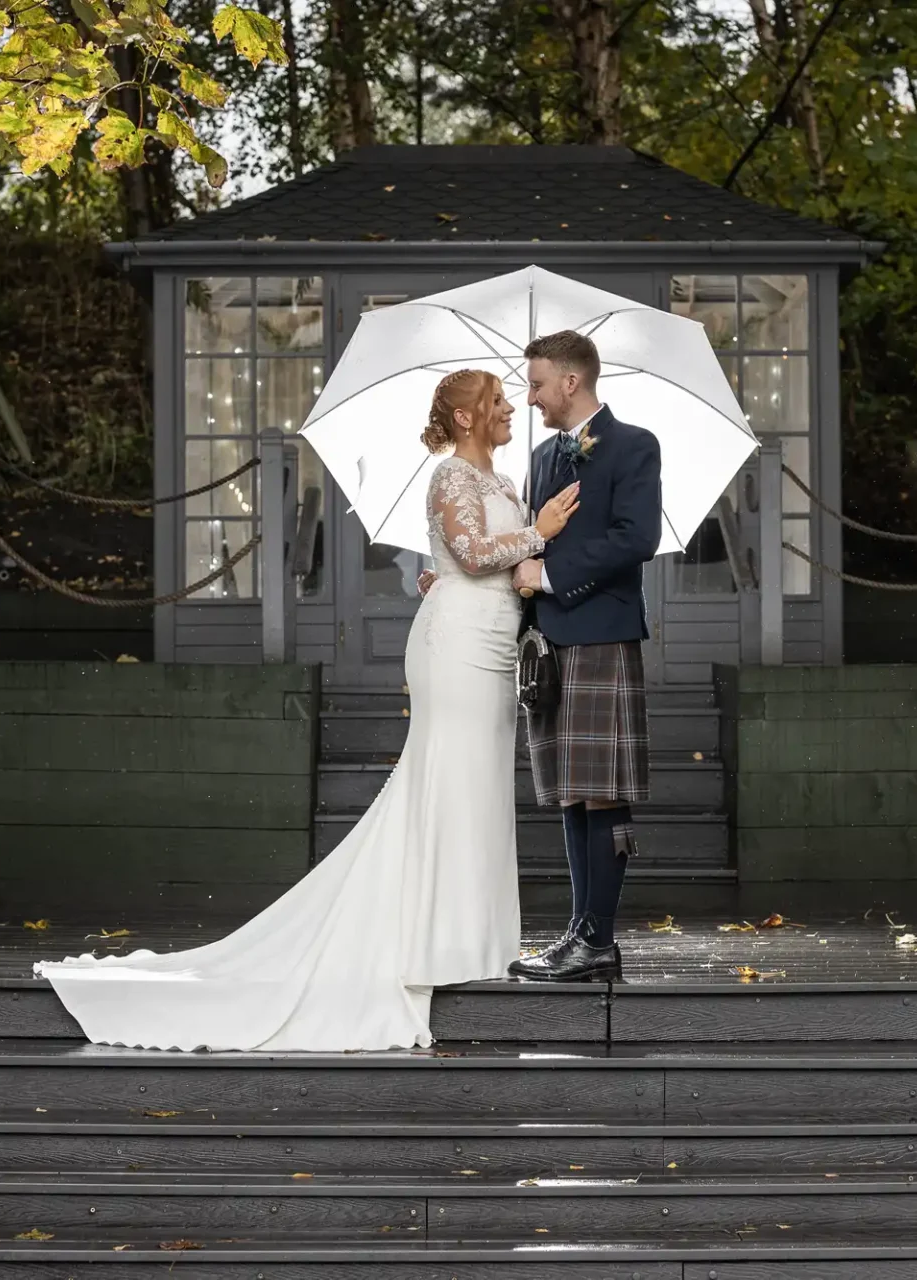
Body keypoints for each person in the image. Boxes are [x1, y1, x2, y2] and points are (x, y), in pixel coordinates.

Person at [33, 369, 581, 1051]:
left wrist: (516, 547)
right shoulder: (448, 478)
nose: (508, 411)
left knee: (479, 791)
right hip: (456, 648)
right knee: (450, 783)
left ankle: (474, 940)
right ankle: (433, 943)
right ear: (465, 418)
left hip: (497, 643)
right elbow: (471, 553)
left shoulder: (505, 484)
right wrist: (541, 533)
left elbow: (473, 562)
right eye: (497, 402)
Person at [507, 330, 662, 983]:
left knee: (604, 795)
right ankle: (580, 934)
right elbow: (528, 539)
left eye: (538, 383)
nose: (531, 396)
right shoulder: (542, 455)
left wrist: (547, 576)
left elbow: (638, 538)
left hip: (601, 634)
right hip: (549, 648)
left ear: (572, 381)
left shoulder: (634, 445)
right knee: (572, 794)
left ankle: (599, 939)